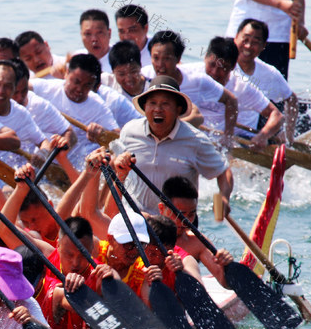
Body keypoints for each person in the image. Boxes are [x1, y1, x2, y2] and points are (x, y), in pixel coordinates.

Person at [111, 76, 233, 215]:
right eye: (153, 103)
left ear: (178, 110)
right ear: (145, 107)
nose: (158, 109)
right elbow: (115, 168)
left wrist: (224, 198)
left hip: (176, 224)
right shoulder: (129, 131)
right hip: (135, 219)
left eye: (165, 104)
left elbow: (223, 171)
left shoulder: (196, 140)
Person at [183, 37, 284, 149]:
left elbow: (277, 115)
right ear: (205, 57)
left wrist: (263, 135)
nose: (214, 73)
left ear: (233, 66)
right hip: (192, 135)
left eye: (223, 68)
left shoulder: (241, 87)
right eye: (211, 64)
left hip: (222, 141)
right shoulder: (189, 74)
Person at [225, 0, 309, 79]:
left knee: (274, 90)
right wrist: (280, 4)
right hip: (244, 28)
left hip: (279, 32)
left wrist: (300, 22)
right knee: (232, 81)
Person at [144, 30, 238, 142]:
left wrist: (228, 137)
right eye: (156, 58)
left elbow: (231, 100)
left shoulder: (197, 80)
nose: (160, 65)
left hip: (188, 140)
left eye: (166, 59)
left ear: (178, 59)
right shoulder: (144, 76)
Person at [30, 53, 117, 168]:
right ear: (66, 73)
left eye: (87, 85)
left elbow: (118, 137)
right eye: (76, 82)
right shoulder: (44, 88)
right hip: (41, 157)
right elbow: (18, 88)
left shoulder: (98, 105)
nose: (79, 89)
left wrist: (103, 132)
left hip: (76, 165)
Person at [0, 60, 57, 168]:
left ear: (14, 88)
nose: (0, 91)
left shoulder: (21, 115)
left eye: (7, 86)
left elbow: (44, 142)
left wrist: (42, 154)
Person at [157, 176, 234, 288]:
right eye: (180, 214)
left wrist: (225, 266)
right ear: (161, 209)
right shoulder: (146, 232)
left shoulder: (197, 242)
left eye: (191, 214)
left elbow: (226, 284)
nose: (186, 221)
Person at [233, 19, 299, 139]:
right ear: (236, 38)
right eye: (245, 39)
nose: (248, 46)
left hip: (245, 136)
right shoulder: (220, 64)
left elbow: (291, 100)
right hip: (214, 130)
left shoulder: (269, 74)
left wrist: (288, 134)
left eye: (255, 42)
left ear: (263, 46)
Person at [73, 9, 113, 74]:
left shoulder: (120, 61)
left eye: (99, 33)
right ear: (81, 34)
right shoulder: (76, 59)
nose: (94, 39)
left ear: (109, 33)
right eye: (88, 34)